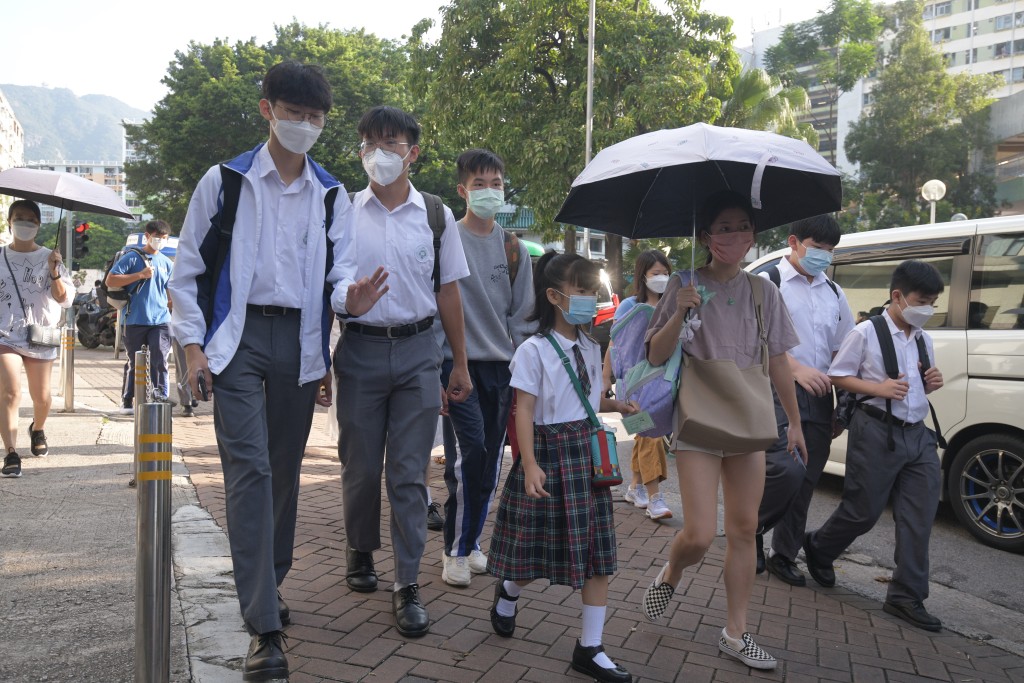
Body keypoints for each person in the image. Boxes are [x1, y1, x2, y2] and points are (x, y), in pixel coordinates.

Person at [169, 60, 343, 681]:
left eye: (314, 117)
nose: (303, 125)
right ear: (267, 109)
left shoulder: (331, 193)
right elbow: (187, 270)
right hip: (237, 342)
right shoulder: (226, 182)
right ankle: (264, 629)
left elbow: (340, 276)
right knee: (251, 469)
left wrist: (348, 312)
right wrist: (193, 348)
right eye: (293, 113)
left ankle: (268, 584)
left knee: (286, 476)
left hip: (298, 342)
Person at [640, 191, 805, 671]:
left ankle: (736, 631)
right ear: (705, 237)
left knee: (744, 529)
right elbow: (653, 355)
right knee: (698, 534)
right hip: (699, 417)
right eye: (724, 228)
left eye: (743, 227)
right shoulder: (684, 284)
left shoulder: (763, 291)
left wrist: (794, 422)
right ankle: (672, 571)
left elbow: (778, 361)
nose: (735, 236)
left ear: (754, 235)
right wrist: (679, 310)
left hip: (748, 418)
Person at [330, 105, 471, 638]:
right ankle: (360, 547)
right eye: (368, 143)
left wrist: (457, 361)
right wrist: (350, 304)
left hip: (417, 354)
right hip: (360, 350)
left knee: (409, 474)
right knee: (361, 466)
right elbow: (332, 281)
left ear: (412, 152)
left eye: (389, 144)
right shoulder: (343, 210)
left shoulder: (434, 215)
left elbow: (449, 290)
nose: (377, 154)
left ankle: (407, 583)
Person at [487, 252, 637, 683]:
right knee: (531, 553)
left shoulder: (592, 345)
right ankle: (509, 591)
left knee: (596, 557)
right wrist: (529, 463)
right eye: (583, 290)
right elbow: (524, 410)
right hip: (549, 458)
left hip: (586, 461)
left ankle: (590, 649)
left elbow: (588, 400)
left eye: (594, 289)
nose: (592, 298)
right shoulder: (533, 351)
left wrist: (615, 405)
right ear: (554, 296)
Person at [804, 260, 945, 632]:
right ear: (898, 296)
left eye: (933, 302)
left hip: (918, 434)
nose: (927, 309)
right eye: (922, 300)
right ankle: (819, 546)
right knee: (863, 511)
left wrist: (932, 381)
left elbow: (917, 384)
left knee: (919, 517)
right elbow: (838, 374)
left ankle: (905, 596)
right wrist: (877, 388)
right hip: (876, 431)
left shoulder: (922, 337)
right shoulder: (867, 332)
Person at [435, 148, 534, 588]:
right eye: (480, 184)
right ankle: (454, 551)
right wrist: (438, 371)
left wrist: (525, 372)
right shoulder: (445, 240)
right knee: (467, 457)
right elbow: (436, 304)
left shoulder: (513, 248)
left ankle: (473, 542)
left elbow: (524, 316)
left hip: (503, 371)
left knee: (492, 460)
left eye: (496, 184)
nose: (490, 192)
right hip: (457, 370)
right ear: (462, 191)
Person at [756, 215, 855, 583]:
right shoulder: (769, 282)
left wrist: (842, 401)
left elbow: (844, 349)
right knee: (786, 469)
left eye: (830, 251)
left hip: (820, 395)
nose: (824, 257)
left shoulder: (833, 292)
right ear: (794, 241)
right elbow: (752, 339)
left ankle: (784, 553)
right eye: (818, 249)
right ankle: (749, 526)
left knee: (808, 478)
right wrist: (794, 368)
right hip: (775, 390)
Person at [0, 200, 74, 478]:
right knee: (9, 392)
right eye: (19, 218)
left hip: (40, 335)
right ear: (9, 221)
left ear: (39, 224)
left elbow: (64, 299)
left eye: (31, 219)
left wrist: (54, 271)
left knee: (42, 397)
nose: (25, 223)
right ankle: (10, 452)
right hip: (4, 334)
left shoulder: (51, 258)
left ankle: (38, 428)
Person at [601, 249, 673, 520]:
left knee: (646, 435)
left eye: (666, 273)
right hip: (633, 384)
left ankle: (634, 487)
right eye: (656, 274)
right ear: (642, 276)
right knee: (650, 435)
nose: (662, 278)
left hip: (663, 383)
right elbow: (614, 345)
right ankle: (655, 498)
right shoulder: (629, 307)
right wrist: (605, 379)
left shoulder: (674, 306)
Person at [107, 220, 174, 412]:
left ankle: (160, 396)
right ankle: (128, 400)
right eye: (156, 238)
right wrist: (140, 275)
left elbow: (170, 292)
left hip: (161, 320)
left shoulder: (167, 263)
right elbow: (111, 279)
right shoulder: (132, 257)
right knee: (135, 361)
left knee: (159, 359)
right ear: (147, 236)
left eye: (163, 238)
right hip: (135, 319)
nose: (160, 241)